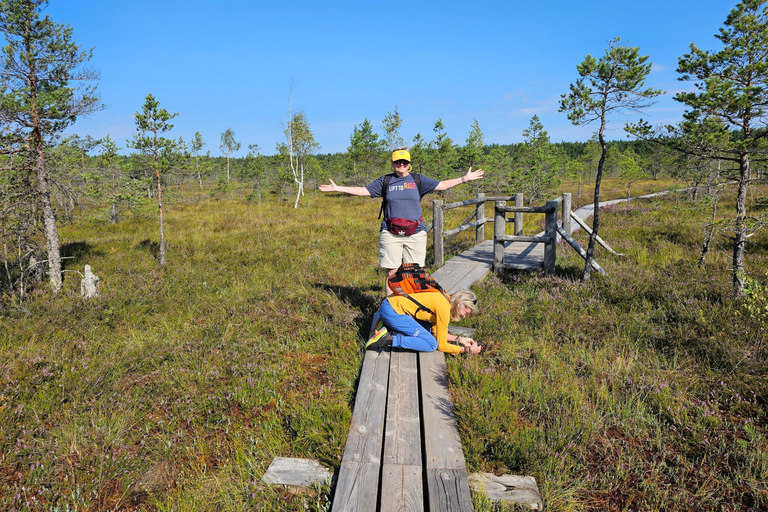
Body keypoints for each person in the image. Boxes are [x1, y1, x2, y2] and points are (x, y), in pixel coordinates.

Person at [318, 147, 484, 294]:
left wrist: (465, 178)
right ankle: (392, 309)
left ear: (409, 163)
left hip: (416, 233)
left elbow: (442, 185)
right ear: (393, 163)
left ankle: (411, 307)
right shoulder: (385, 181)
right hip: (390, 233)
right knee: (392, 273)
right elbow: (363, 190)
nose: (401, 164)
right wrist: (337, 188)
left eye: (404, 162)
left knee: (415, 273)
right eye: (398, 161)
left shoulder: (418, 180)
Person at [366, 289, 482, 356]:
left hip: (389, 305)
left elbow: (437, 334)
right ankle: (386, 340)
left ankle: (386, 325)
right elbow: (441, 346)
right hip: (392, 312)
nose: (464, 316)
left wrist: (460, 339)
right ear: (460, 303)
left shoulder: (444, 297)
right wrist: (465, 350)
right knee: (431, 344)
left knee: (429, 332)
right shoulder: (444, 309)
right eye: (465, 312)